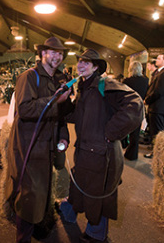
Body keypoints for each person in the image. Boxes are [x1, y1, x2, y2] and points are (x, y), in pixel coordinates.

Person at [60, 49, 144, 243]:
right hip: (86, 151)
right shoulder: (84, 87)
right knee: (80, 186)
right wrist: (64, 105)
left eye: (86, 62)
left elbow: (136, 104)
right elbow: (78, 115)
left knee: (99, 195)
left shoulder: (104, 84)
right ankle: (69, 213)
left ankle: (96, 235)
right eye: (80, 61)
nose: (81, 65)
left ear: (96, 67)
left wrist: (110, 132)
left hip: (102, 155)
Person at [4, 37, 72, 243]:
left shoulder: (60, 79)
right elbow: (24, 109)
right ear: (42, 54)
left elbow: (62, 114)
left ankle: (39, 228)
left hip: (49, 145)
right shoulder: (29, 77)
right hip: (29, 146)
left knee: (43, 191)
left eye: (60, 53)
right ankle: (23, 238)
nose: (57, 56)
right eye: (52, 52)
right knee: (29, 195)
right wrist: (55, 100)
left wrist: (63, 137)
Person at [122, 61, 149, 160]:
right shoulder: (146, 80)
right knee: (135, 132)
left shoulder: (127, 81)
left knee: (125, 128)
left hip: (128, 107)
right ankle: (133, 154)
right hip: (140, 107)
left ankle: (124, 146)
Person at [144, 53, 164, 159]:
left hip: (157, 108)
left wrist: (147, 100)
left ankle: (156, 154)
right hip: (157, 108)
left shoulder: (162, 74)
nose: (157, 60)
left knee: (157, 133)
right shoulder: (159, 73)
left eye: (159, 58)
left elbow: (158, 91)